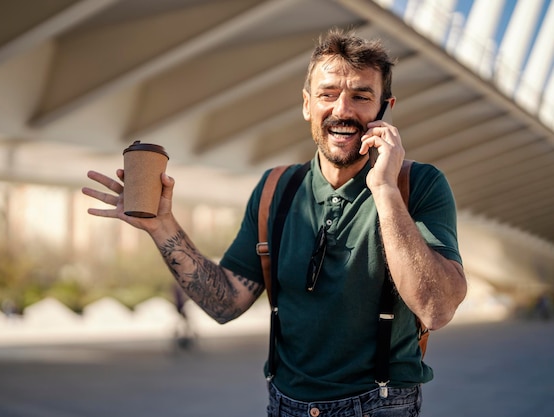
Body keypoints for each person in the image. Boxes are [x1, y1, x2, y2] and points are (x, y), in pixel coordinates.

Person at [82, 28, 467, 417]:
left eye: (361, 96)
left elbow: (436, 310)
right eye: (327, 94)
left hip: (381, 406)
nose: (342, 110)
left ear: (385, 106)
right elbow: (226, 302)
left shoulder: (417, 185)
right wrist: (161, 226)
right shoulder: (274, 190)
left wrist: (384, 190)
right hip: (285, 405)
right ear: (306, 104)